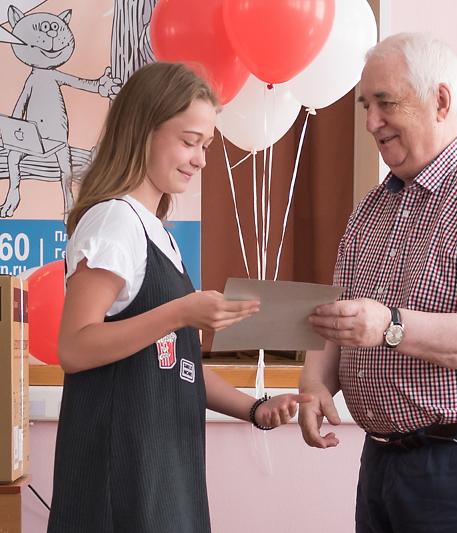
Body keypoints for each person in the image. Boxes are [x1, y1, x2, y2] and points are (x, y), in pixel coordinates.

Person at [47, 62, 310, 533]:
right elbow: (75, 346)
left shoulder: (158, 234)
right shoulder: (115, 221)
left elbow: (176, 366)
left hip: (164, 477)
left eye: (205, 146)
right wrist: (180, 312)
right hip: (123, 484)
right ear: (142, 130)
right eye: (190, 142)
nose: (201, 160)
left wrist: (254, 408)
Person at [298, 33, 457, 533]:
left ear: (441, 101)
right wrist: (315, 383)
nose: (371, 122)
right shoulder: (372, 206)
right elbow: (340, 315)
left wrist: (390, 325)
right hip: (383, 456)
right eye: (366, 106)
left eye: (386, 103)